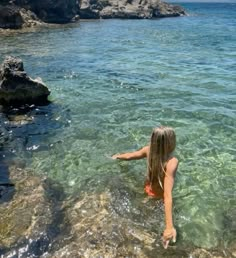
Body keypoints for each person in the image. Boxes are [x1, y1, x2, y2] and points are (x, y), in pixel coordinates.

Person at [112, 126, 178, 249]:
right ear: (170, 143)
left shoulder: (148, 150)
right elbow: (167, 195)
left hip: (147, 188)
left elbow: (130, 156)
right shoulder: (172, 162)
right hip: (159, 196)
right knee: (154, 215)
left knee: (144, 208)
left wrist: (117, 156)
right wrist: (169, 226)